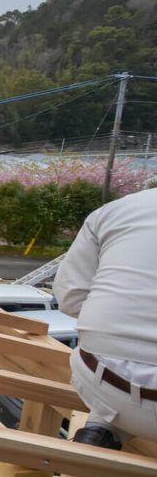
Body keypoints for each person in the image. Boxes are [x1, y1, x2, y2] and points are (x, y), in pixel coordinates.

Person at [53, 187, 157, 450]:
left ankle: (100, 429)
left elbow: (70, 298)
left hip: (105, 385)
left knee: (107, 371)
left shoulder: (115, 211)